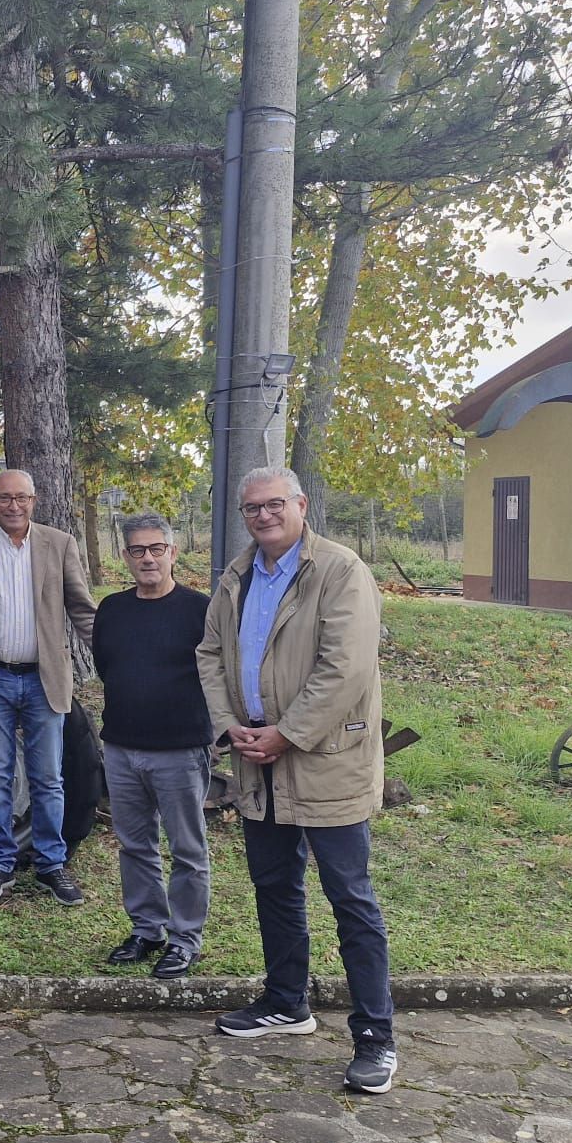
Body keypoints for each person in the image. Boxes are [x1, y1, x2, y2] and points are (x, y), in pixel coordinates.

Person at [197, 466, 398, 1095]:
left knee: (351, 899)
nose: (263, 516)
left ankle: (375, 1038)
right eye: (252, 508)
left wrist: (287, 733)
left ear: (301, 505)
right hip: (256, 759)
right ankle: (287, 1002)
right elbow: (209, 656)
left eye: (274, 504)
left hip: (324, 758)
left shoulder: (339, 571)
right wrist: (233, 727)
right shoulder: (236, 576)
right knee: (274, 886)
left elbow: (347, 667)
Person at [0, 469, 97, 908]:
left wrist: (115, 655)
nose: (13, 505)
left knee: (48, 777)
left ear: (34, 500)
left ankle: (51, 864)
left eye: (21, 498)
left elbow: (82, 610)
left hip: (44, 678)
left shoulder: (59, 545)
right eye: (4, 499)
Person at [92, 514, 213, 980]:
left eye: (156, 549)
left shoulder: (199, 609)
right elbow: (108, 666)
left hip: (180, 750)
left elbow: (215, 673)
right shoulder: (113, 610)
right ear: (125, 556)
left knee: (187, 849)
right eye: (138, 550)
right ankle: (148, 929)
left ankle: (185, 939)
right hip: (122, 747)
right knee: (134, 845)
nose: (147, 558)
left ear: (173, 553)